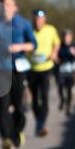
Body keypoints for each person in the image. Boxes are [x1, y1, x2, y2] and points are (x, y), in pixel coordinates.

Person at [0, 0, 37, 149]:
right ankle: (6, 139)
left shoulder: (24, 24)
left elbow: (33, 44)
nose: (5, 8)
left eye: (8, 5)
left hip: (18, 68)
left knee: (18, 105)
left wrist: (20, 46)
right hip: (1, 69)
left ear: (15, 7)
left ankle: (17, 131)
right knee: (3, 105)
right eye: (3, 5)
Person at [27, 8, 60, 137]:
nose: (38, 21)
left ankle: (42, 124)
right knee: (35, 99)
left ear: (44, 19)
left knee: (45, 96)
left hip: (46, 67)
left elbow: (56, 43)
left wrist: (54, 52)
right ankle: (38, 121)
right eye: (36, 19)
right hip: (32, 68)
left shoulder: (51, 30)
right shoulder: (28, 30)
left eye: (40, 19)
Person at [56, 30, 75, 116]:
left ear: (71, 37)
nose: (66, 38)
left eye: (68, 36)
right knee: (60, 88)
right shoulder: (60, 46)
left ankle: (68, 108)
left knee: (69, 91)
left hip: (70, 72)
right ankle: (62, 100)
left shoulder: (74, 46)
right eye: (65, 36)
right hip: (61, 71)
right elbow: (57, 55)